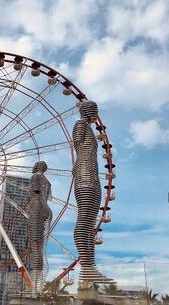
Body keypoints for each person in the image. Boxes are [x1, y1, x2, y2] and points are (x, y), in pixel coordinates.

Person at [72, 101, 110, 283]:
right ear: (87, 111)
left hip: (93, 177)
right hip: (84, 175)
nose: (96, 113)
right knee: (84, 220)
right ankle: (86, 268)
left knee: (89, 225)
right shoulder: (80, 124)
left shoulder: (87, 127)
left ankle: (91, 269)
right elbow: (78, 146)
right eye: (94, 110)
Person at [28, 161, 52, 293]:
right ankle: (38, 284)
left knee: (36, 248)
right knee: (41, 249)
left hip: (37, 208)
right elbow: (46, 196)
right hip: (46, 209)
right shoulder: (47, 181)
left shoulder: (35, 177)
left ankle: (35, 287)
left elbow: (35, 194)